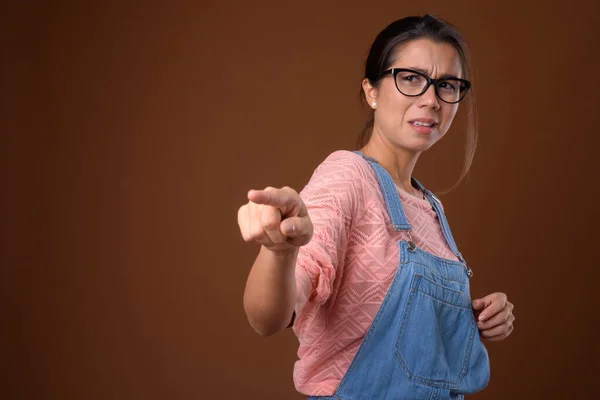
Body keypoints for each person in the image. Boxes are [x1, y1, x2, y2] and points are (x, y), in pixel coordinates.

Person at [237, 14, 515, 400]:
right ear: (371, 91)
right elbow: (268, 318)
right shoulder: (348, 177)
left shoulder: (430, 207)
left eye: (447, 85)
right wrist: (279, 250)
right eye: (412, 78)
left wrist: (479, 317)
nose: (432, 100)